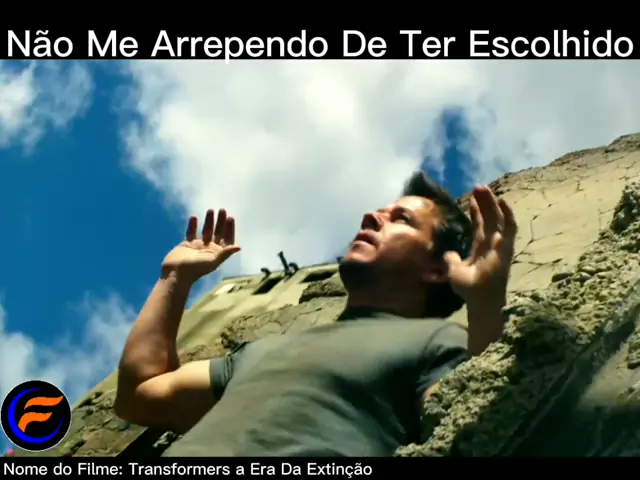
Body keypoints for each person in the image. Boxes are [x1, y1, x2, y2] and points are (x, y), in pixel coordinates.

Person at [114, 172, 517, 456]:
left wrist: (485, 306)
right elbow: (140, 395)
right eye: (380, 211)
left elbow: (483, 424)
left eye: (401, 220)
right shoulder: (263, 351)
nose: (370, 216)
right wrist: (174, 279)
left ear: (437, 269)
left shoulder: (437, 343)